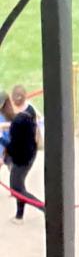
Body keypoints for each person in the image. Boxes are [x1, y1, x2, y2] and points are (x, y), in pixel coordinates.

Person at [5, 87, 40, 221]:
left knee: (17, 189)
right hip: (31, 152)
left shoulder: (17, 122)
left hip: (21, 159)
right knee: (19, 186)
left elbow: (13, 146)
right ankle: (19, 216)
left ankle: (44, 207)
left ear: (13, 101)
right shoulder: (30, 110)